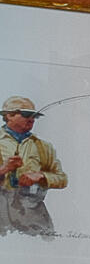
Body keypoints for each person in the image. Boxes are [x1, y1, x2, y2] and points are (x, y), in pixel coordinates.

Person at [0, 96, 63, 236]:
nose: (32, 119)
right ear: (9, 115)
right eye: (27, 115)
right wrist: (4, 169)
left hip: (34, 221)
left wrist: (40, 176)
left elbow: (62, 178)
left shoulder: (44, 146)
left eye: (35, 116)